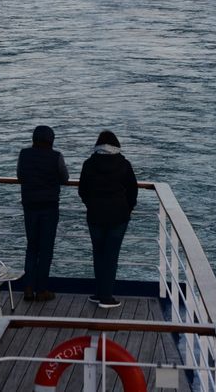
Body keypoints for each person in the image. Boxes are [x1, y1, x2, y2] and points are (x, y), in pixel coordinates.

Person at [78, 130, 138, 309]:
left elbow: (82, 190)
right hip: (118, 216)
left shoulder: (89, 164)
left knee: (98, 254)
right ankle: (106, 297)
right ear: (116, 146)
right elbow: (133, 190)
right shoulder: (124, 164)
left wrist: (91, 204)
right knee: (111, 256)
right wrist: (128, 208)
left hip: (95, 216)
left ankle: (99, 292)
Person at [17, 124, 69, 301]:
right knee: (46, 249)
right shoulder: (56, 157)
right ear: (51, 140)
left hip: (29, 206)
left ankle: (28, 288)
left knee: (31, 247)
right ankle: (42, 290)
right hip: (49, 206)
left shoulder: (24, 154)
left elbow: (20, 176)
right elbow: (64, 178)